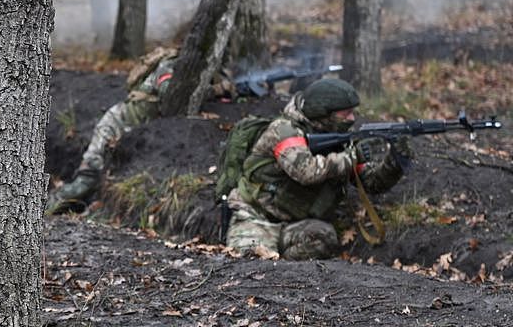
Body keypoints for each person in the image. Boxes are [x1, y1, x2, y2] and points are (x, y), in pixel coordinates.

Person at [224, 78, 404, 259]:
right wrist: (351, 157)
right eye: (345, 114)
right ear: (323, 113)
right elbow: (306, 171)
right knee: (251, 265)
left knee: (323, 238)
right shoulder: (284, 130)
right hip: (255, 218)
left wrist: (394, 161)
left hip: (295, 227)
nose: (352, 118)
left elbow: (370, 183)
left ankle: (284, 268)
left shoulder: (338, 140)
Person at [45, 47, 233, 215]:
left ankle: (92, 207)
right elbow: (168, 90)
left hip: (135, 131)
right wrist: (213, 90)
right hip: (117, 122)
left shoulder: (204, 73)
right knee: (88, 176)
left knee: (108, 178)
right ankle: (44, 209)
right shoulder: (172, 66)